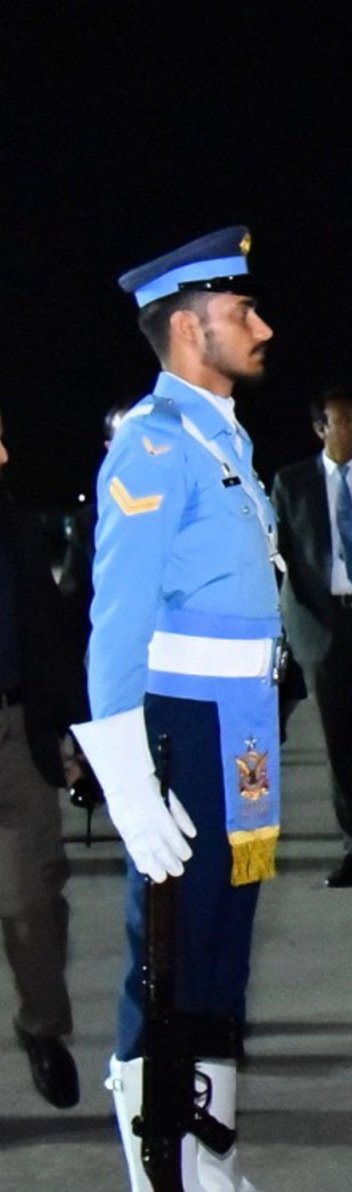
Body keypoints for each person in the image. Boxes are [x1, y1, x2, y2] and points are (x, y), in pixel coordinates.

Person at [79, 226, 339, 1192]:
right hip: (183, 730)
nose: (263, 327)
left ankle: (214, 1184)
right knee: (170, 965)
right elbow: (115, 622)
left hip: (240, 733)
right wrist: (127, 778)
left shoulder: (218, 439)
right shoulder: (153, 445)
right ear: (190, 329)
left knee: (221, 960)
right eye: (243, 315)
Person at [0, 404, 89, 1110]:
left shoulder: (15, 524)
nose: (4, 455)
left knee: (32, 897)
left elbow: (46, 633)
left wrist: (70, 733)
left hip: (17, 726)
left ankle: (42, 1026)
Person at [268, 388, 352, 888]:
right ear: (321, 428)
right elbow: (279, 556)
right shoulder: (291, 483)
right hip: (322, 628)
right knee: (341, 744)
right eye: (346, 420)